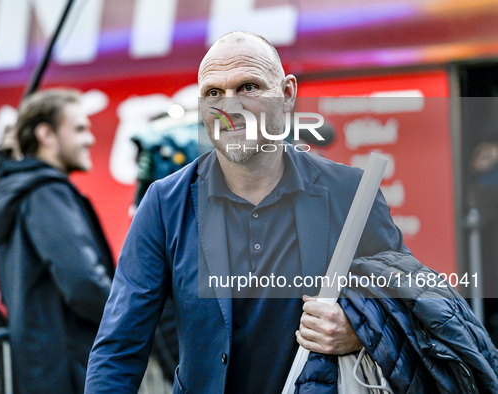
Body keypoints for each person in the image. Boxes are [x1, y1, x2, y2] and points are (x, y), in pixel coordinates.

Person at [85, 31, 409, 393]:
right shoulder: (165, 203)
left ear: (287, 94)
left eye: (248, 87)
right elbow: (118, 348)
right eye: (213, 93)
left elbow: (410, 306)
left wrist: (359, 332)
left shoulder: (350, 192)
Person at [0, 89, 115, 393]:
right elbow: (83, 282)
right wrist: (131, 320)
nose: (90, 139)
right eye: (80, 129)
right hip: (70, 372)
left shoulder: (25, 192)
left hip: (47, 371)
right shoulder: (46, 193)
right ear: (46, 134)